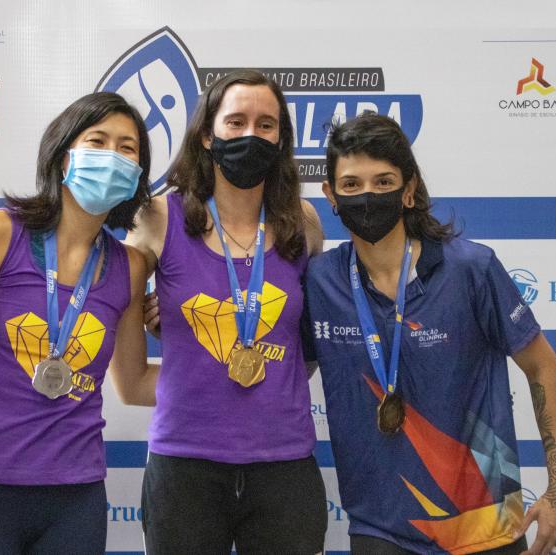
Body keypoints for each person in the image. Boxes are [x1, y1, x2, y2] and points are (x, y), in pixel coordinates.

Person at [304, 113, 556, 555]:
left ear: (408, 189)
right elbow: (275, 358)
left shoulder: (472, 268)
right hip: (378, 527)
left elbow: (541, 364)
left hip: (484, 522)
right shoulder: (320, 281)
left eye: (383, 181)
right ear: (330, 195)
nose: (367, 196)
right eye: (351, 185)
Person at [0, 91, 155, 555]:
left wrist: (223, 376)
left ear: (139, 173)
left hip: (77, 497)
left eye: (128, 149)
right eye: (98, 141)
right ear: (63, 155)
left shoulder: (130, 266)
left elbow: (133, 384)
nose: (113, 156)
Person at [125, 69, 327, 553]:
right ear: (206, 134)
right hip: (184, 466)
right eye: (235, 122)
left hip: (284, 463)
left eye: (266, 124)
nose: (250, 135)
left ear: (281, 140)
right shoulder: (158, 217)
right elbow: (119, 336)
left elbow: (310, 338)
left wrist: (278, 375)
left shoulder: (304, 222)